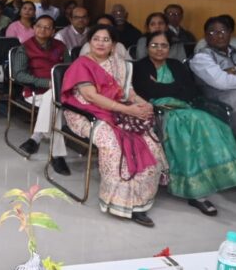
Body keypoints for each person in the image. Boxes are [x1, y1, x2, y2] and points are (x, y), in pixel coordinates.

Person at [133, 31, 236, 210]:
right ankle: (196, 192)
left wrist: (162, 87)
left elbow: (190, 92)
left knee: (214, 124)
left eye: (164, 45)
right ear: (147, 47)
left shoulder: (176, 65)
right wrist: (172, 88)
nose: (159, 49)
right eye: (154, 45)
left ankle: (232, 174)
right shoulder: (139, 67)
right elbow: (147, 92)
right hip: (159, 111)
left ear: (169, 48)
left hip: (185, 108)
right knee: (190, 125)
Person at [61, 25, 168, 227]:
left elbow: (128, 93)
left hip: (118, 110)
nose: (101, 43)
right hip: (86, 113)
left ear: (113, 45)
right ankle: (118, 201)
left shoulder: (120, 64)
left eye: (106, 40)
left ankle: (139, 202)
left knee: (150, 142)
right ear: (89, 42)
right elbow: (90, 96)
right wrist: (129, 110)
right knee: (114, 146)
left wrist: (143, 104)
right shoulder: (82, 64)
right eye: (96, 39)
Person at [189, 16, 236, 174]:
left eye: (222, 31)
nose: (218, 35)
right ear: (206, 36)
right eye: (212, 32)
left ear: (230, 33)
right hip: (229, 106)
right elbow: (222, 82)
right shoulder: (201, 58)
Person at [14, 16, 71, 175]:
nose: (42, 30)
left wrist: (59, 85)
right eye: (39, 26)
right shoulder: (25, 47)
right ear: (34, 28)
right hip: (34, 92)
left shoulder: (61, 46)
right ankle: (57, 154)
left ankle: (36, 138)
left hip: (61, 91)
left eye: (47, 27)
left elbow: (69, 69)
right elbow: (19, 75)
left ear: (53, 31)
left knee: (53, 100)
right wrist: (47, 83)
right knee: (54, 103)